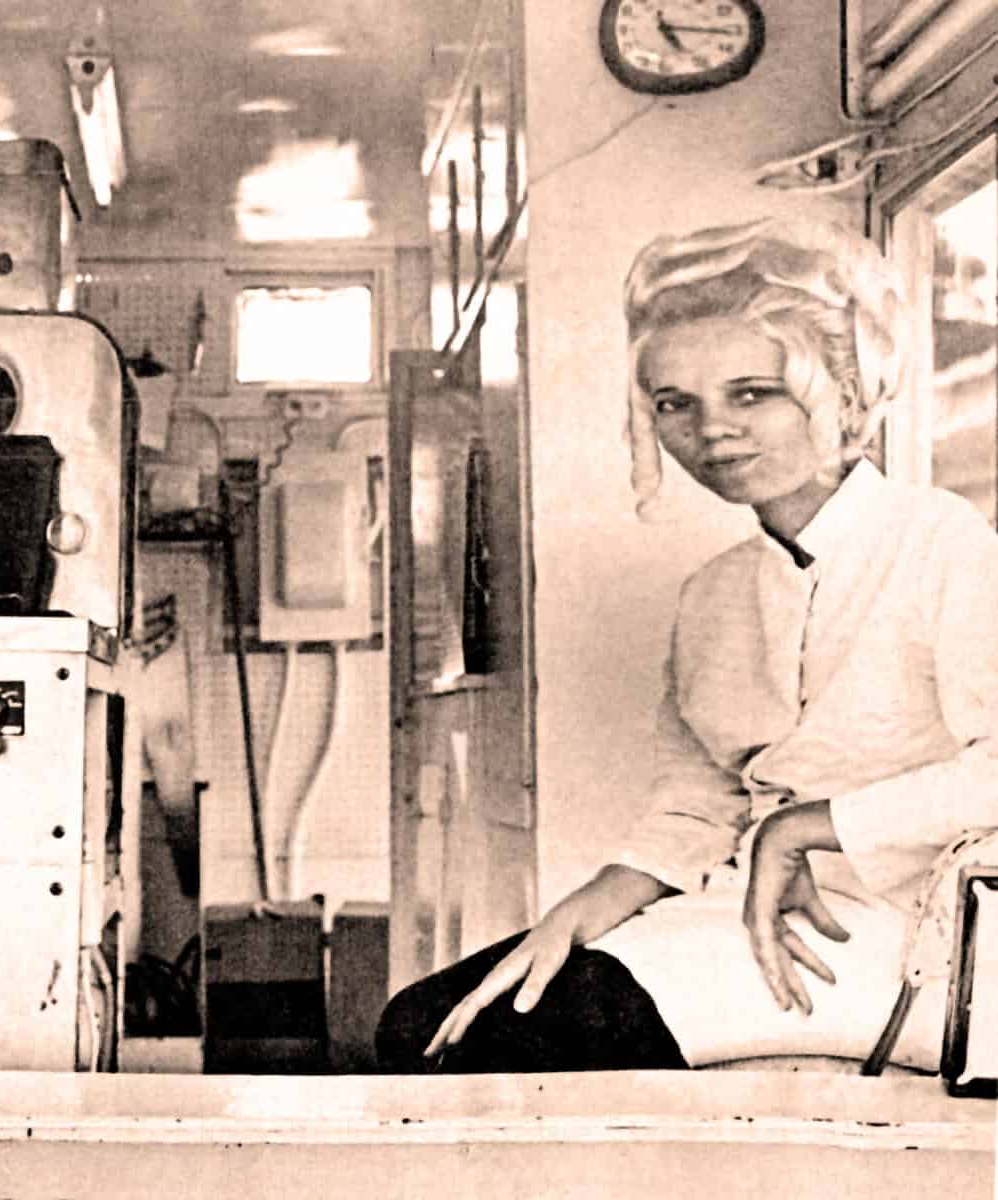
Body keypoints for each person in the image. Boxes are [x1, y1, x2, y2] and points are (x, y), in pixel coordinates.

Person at [377, 216, 998, 1075]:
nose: (711, 431)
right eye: (675, 403)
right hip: (742, 909)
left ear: (841, 389)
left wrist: (805, 828)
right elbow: (697, 806)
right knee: (418, 1023)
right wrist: (582, 910)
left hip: (909, 941)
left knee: (506, 1041)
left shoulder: (945, 544)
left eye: (752, 393)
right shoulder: (713, 593)